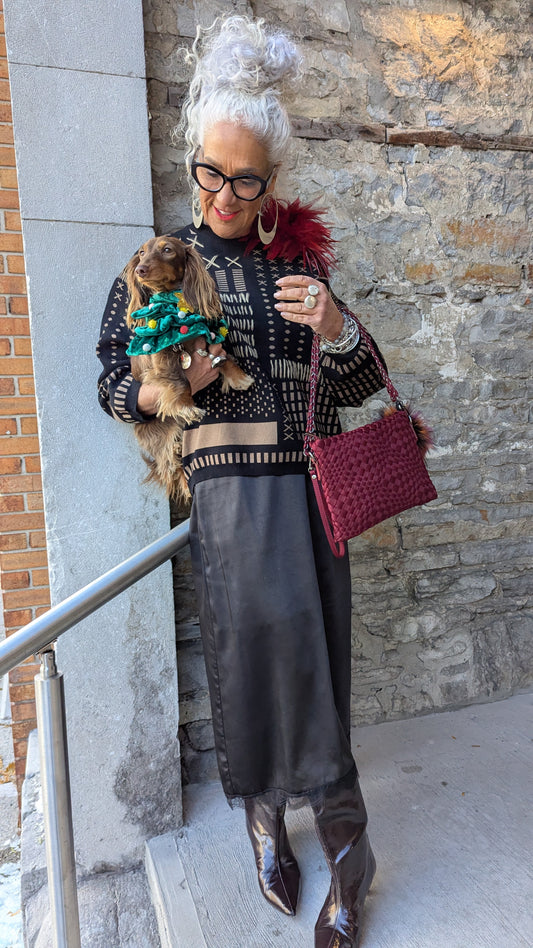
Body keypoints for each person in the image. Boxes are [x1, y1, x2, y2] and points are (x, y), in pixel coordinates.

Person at [97, 15, 386, 948]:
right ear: (194, 165)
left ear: (272, 179)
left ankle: (347, 849)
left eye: (246, 178)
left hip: (308, 495)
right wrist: (164, 385)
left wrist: (336, 325)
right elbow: (111, 383)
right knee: (248, 677)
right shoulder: (159, 268)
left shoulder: (300, 264)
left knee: (317, 675)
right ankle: (264, 823)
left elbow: (358, 381)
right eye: (210, 173)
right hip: (226, 505)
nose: (224, 195)